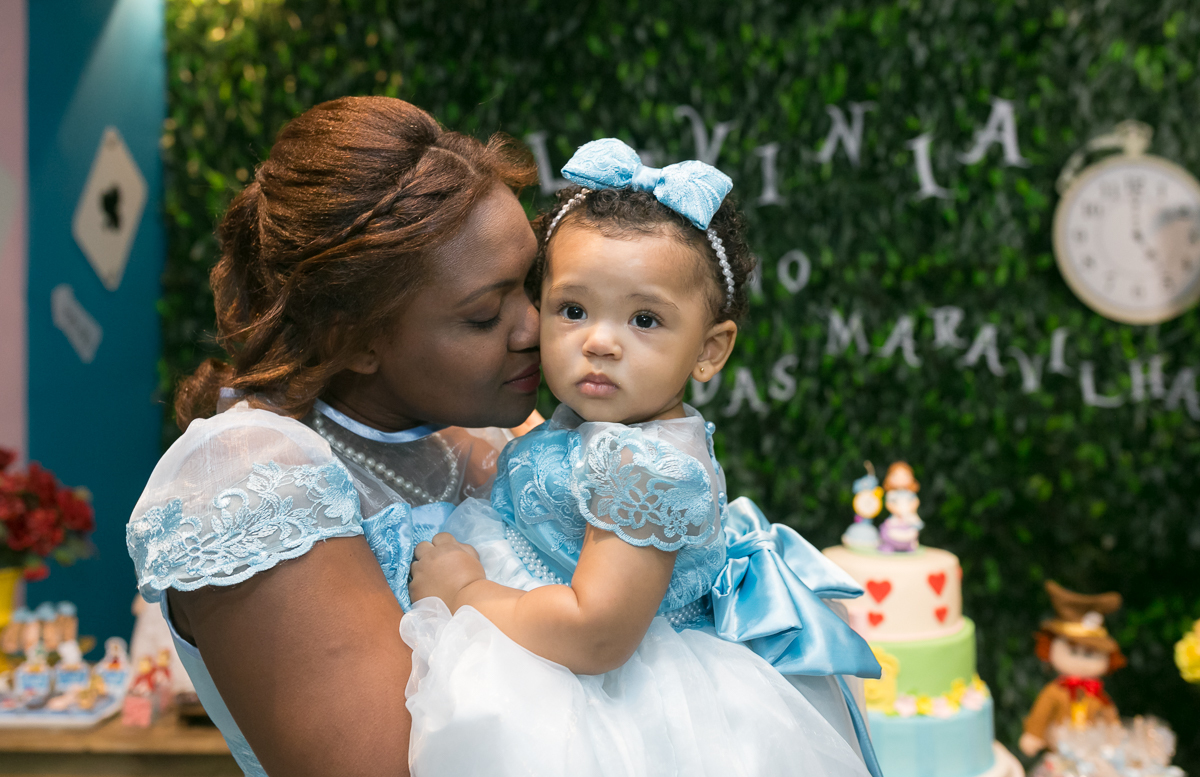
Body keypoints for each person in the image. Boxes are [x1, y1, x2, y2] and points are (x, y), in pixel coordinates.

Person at [405, 138, 884, 777]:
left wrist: (467, 592)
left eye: (646, 320)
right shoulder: (612, 421)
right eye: (573, 310)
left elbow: (596, 633)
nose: (599, 341)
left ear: (710, 350)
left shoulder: (648, 469)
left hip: (611, 687)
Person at [126, 96, 545, 776]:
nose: (534, 327)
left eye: (531, 284)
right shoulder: (252, 476)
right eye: (486, 313)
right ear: (353, 339)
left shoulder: (483, 435)